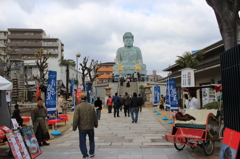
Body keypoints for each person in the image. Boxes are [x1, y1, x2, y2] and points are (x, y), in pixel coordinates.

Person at [73, 93, 98, 159]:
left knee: (82, 141)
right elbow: (94, 116)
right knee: (91, 140)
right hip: (90, 126)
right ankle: (92, 152)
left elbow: (76, 118)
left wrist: (74, 127)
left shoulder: (78, 107)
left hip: (82, 127)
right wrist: (95, 124)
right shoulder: (91, 106)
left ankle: (85, 154)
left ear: (80, 98)